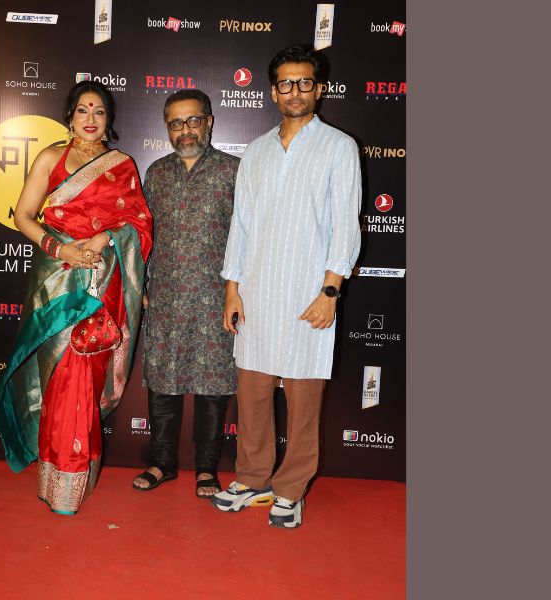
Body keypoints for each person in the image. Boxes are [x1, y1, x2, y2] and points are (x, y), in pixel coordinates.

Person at [211, 44, 361, 528]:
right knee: (252, 397)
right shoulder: (255, 151)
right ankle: (253, 479)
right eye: (285, 83)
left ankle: (291, 489)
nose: (295, 91)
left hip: (307, 295)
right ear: (273, 92)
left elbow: (346, 224)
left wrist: (331, 291)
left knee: (303, 403)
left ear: (319, 89)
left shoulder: (338, 146)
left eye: (304, 82)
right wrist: (232, 288)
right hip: (257, 292)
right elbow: (241, 225)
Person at [0, 81, 153, 515]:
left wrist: (105, 237)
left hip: (104, 283)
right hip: (58, 280)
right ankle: (59, 476)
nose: (90, 118)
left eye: (99, 111)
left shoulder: (122, 164)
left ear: (108, 119)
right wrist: (60, 249)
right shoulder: (51, 157)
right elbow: (24, 215)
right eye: (82, 109)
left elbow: (139, 223)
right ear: (69, 116)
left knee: (85, 376)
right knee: (60, 376)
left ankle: (72, 477)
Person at [131, 90, 239, 498]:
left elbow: (248, 236)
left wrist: (238, 290)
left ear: (209, 121)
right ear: (167, 128)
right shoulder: (156, 173)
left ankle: (207, 468)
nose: (186, 130)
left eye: (193, 120)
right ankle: (162, 462)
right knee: (163, 382)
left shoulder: (233, 171)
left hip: (216, 298)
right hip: (166, 295)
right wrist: (141, 284)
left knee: (213, 386)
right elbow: (143, 236)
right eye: (176, 123)